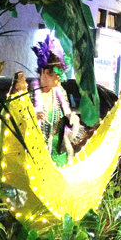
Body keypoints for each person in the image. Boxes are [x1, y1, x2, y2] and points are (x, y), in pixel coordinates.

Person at [31, 36, 80, 166]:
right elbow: (19, 121)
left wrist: (72, 118)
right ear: (46, 72)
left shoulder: (61, 94)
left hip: (58, 157)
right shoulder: (29, 95)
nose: (61, 79)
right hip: (36, 158)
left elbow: (67, 117)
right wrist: (32, 117)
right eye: (58, 74)